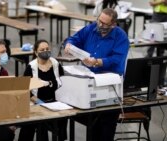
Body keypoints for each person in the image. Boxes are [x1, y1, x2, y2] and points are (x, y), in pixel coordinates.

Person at [65, 8, 129, 141]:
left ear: (113, 24)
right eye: (99, 21)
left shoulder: (121, 36)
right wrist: (69, 45)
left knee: (106, 131)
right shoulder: (91, 28)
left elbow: (117, 59)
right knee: (92, 129)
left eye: (105, 24)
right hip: (90, 83)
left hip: (110, 87)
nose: (100, 25)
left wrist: (99, 62)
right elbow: (74, 38)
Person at [18, 39, 66, 141]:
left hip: (54, 103)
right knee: (35, 123)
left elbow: (64, 82)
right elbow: (25, 90)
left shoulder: (55, 64)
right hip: (36, 103)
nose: (46, 51)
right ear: (36, 52)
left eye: (47, 49)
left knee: (63, 118)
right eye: (42, 49)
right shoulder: (31, 67)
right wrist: (38, 101)